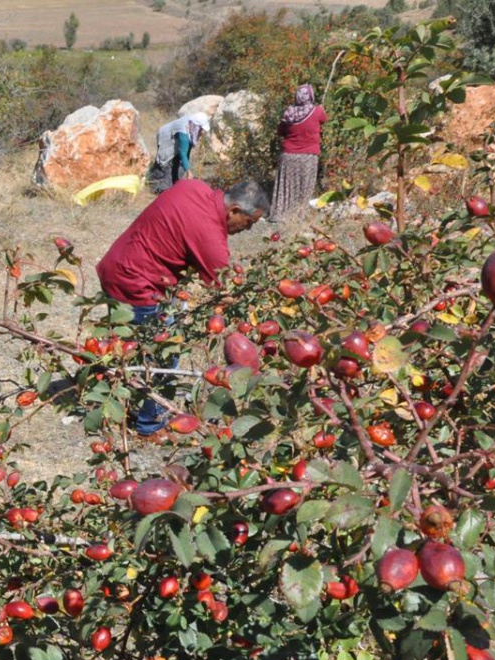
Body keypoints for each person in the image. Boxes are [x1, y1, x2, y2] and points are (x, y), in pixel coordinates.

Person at [96, 178, 270, 436]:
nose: (246, 230)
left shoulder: (194, 187)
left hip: (116, 266)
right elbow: (221, 292)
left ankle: (108, 402)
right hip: (139, 286)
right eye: (249, 223)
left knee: (124, 346)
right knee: (162, 354)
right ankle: (149, 425)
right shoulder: (210, 236)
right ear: (233, 210)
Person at [271, 84, 327, 222]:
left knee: (286, 187)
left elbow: (280, 132)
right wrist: (321, 108)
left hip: (288, 155)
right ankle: (299, 216)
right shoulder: (317, 111)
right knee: (304, 186)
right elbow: (324, 120)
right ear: (311, 96)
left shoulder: (289, 113)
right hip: (308, 157)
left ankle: (281, 215)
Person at [148, 112, 209, 193]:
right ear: (196, 126)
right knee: (166, 163)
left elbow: (186, 151)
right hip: (166, 138)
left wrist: (186, 167)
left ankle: (175, 185)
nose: (202, 132)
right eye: (201, 129)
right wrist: (189, 171)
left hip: (176, 139)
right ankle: (158, 187)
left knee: (180, 163)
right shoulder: (184, 131)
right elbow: (183, 152)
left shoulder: (191, 126)